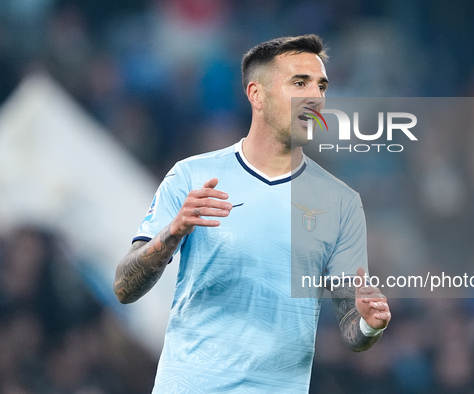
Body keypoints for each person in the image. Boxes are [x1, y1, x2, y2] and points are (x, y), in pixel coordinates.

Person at [113, 34, 391, 393]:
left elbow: (352, 327)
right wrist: (173, 232)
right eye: (299, 82)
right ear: (256, 94)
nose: (316, 97)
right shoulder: (191, 176)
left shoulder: (341, 202)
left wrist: (369, 325)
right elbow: (124, 286)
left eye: (321, 86)